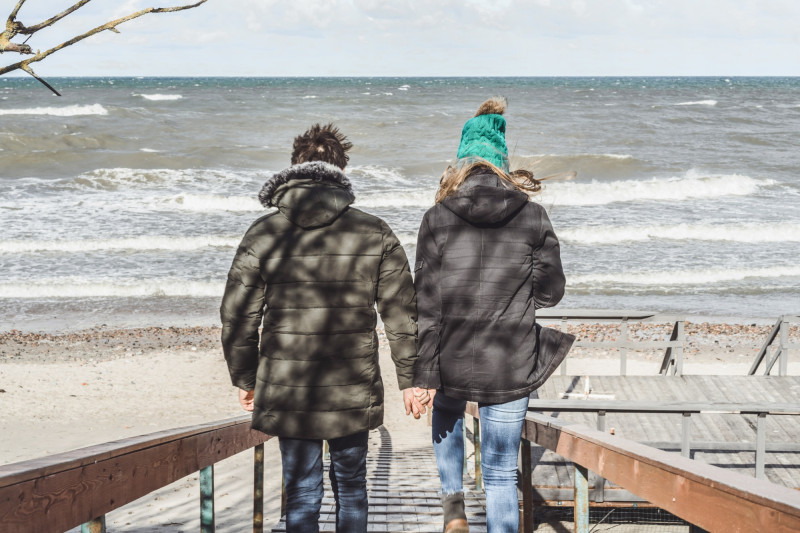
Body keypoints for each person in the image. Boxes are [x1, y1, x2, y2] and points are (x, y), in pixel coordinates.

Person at [220, 123, 424, 533]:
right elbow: (401, 314)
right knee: (351, 488)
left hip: (286, 385)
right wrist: (411, 379)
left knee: (301, 492)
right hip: (351, 385)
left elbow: (238, 316)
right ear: (342, 171)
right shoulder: (374, 231)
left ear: (295, 167)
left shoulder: (264, 232)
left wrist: (246, 379)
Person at [412, 97, 574, 533]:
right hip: (510, 362)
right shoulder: (533, 216)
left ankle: (453, 507)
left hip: (451, 356)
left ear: (461, 162)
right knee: (502, 472)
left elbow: (425, 305)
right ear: (502, 162)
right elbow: (551, 292)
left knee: (446, 411)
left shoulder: (436, 218)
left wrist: (422, 374)